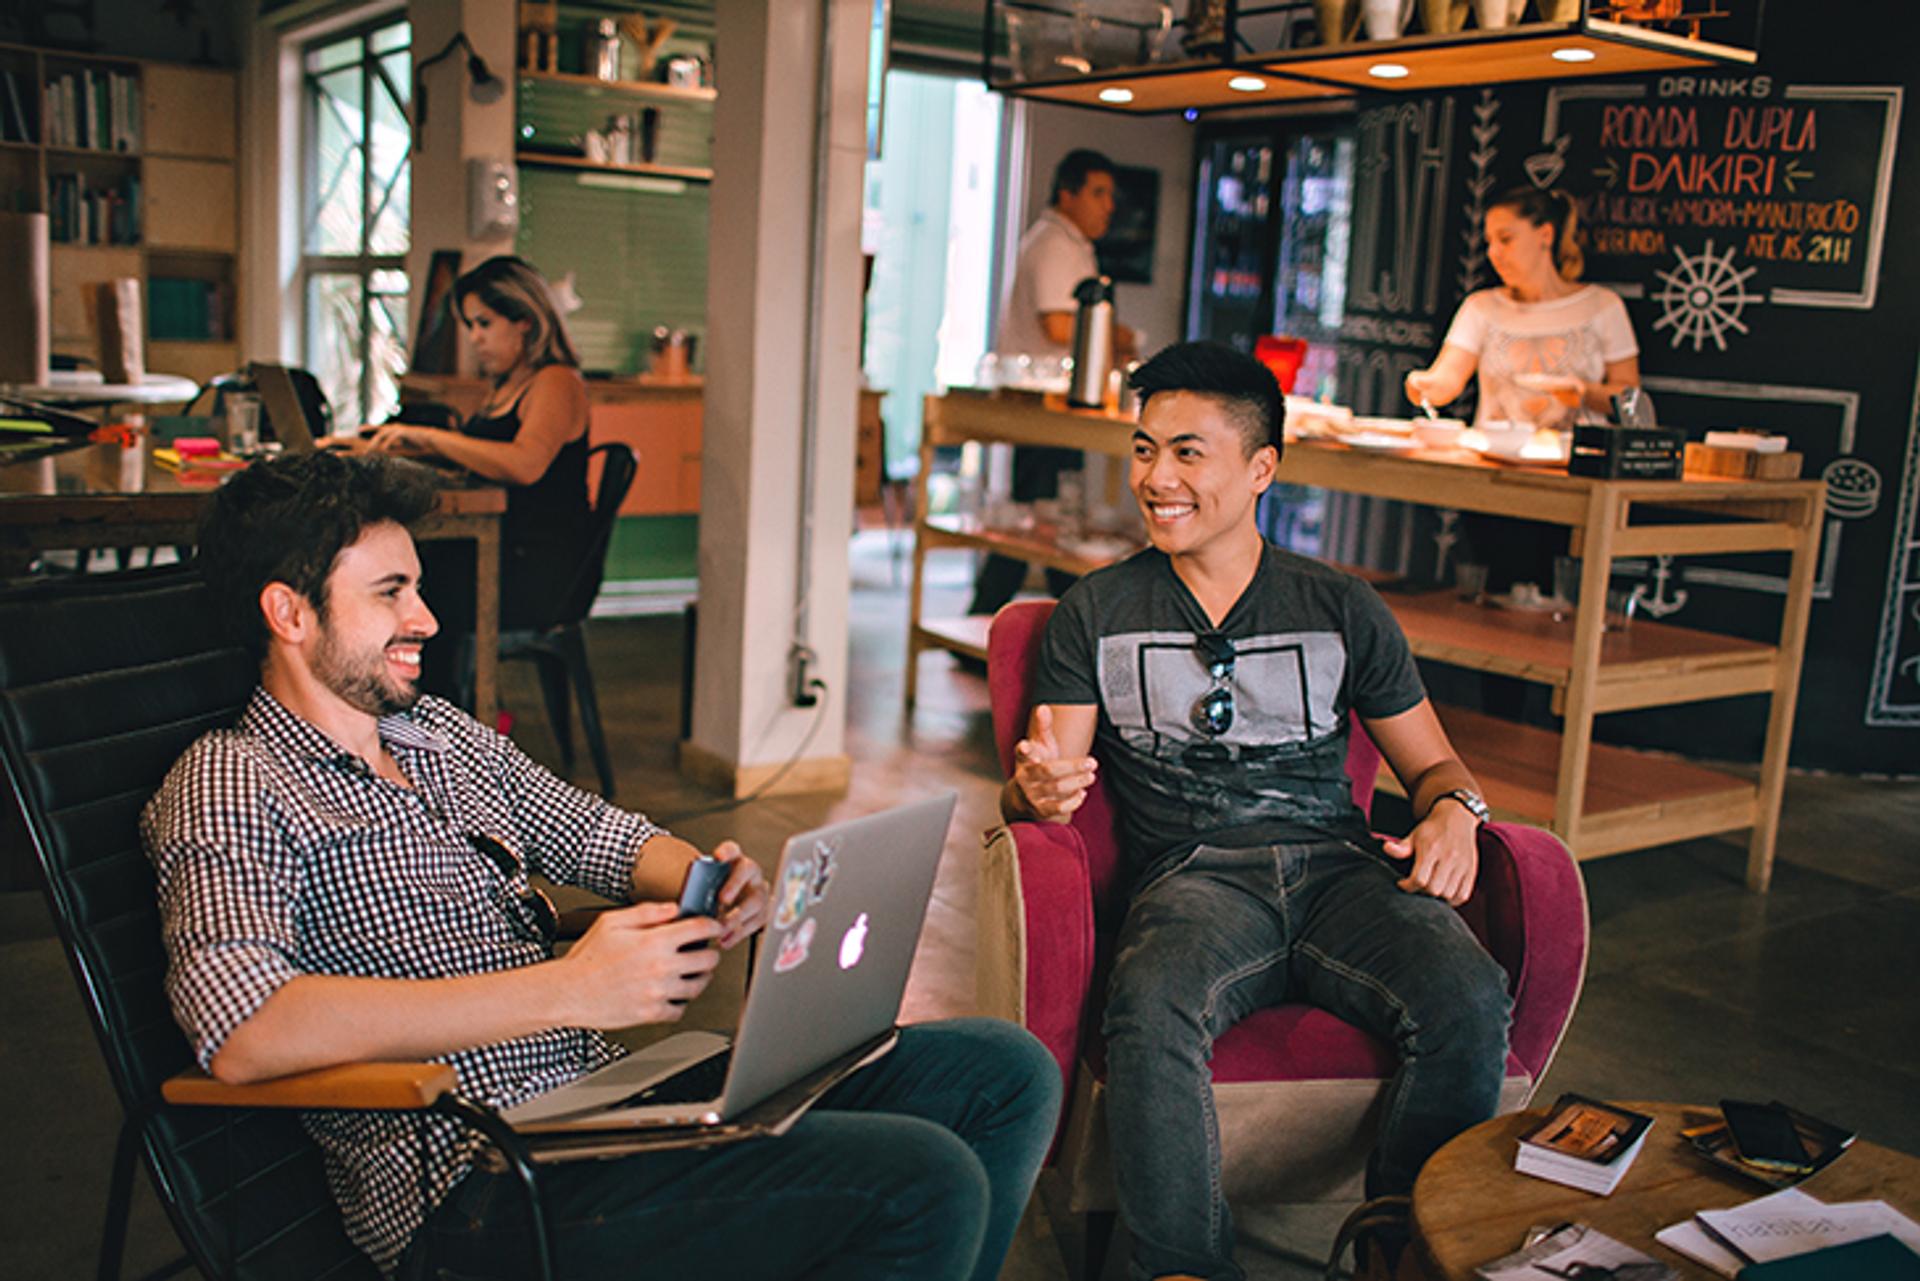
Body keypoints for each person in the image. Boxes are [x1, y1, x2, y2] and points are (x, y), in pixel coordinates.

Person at [143, 450, 1062, 1280]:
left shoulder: (436, 737)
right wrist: (569, 991)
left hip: (605, 1109)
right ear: (288, 610)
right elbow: (243, 1028)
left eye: (417, 586)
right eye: (389, 592)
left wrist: (708, 882)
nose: (425, 616)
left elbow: (605, 837)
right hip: (477, 1181)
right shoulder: (233, 778)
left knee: (1004, 1071)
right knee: (920, 1181)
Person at [1003, 342, 1512, 1281]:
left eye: (1188, 453)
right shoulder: (1096, 610)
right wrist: (1032, 792)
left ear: (1261, 468)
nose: (1156, 479)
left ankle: (1400, 1254)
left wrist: (1457, 812)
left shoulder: (1341, 606)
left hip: (1341, 871)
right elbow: (1048, 773)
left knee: (1469, 996)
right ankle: (1184, 1269)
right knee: (1151, 1005)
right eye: (1144, 449)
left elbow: (1435, 763)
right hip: (1194, 878)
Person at [338, 255, 593, 699]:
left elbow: (524, 463)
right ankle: (404, 712)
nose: (474, 338)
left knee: (406, 586)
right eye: (470, 325)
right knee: (399, 574)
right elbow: (480, 460)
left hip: (535, 567)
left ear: (525, 323)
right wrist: (389, 447)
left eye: (484, 324)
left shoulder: (557, 382)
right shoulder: (507, 383)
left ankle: (426, 718)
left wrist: (430, 438)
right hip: (503, 547)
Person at [969, 148, 1138, 618]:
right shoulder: (1054, 244)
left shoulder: (1070, 244)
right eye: (1098, 193)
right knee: (1043, 525)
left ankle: (1059, 626)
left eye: (1111, 195)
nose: (1108, 205)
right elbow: (1061, 327)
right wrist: (1123, 335)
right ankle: (991, 627)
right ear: (1067, 194)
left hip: (1059, 407)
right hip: (1044, 406)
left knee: (1050, 522)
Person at [1404, 186, 1640, 429]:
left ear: (1545, 235)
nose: (1494, 253)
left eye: (1506, 239)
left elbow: (1629, 398)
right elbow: (1447, 380)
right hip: (1493, 458)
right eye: (1489, 242)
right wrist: (1425, 385)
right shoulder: (1480, 307)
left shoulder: (1603, 306)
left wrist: (1584, 392)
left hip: (1576, 460)